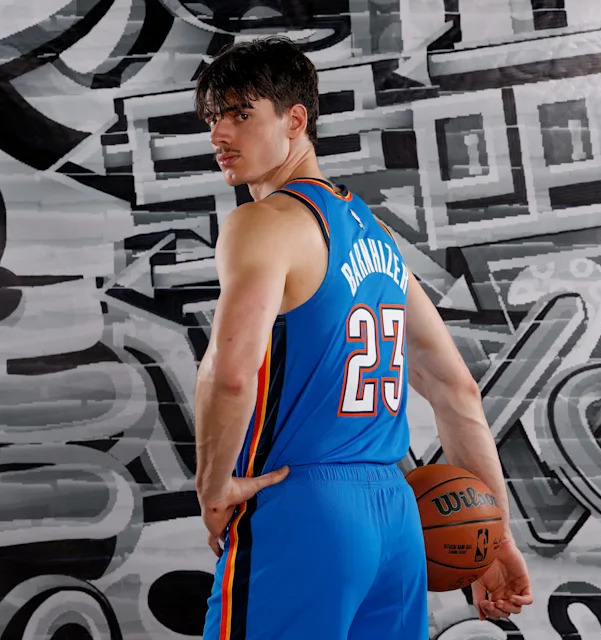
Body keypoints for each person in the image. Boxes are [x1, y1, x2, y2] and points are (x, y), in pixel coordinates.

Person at [192, 36, 532, 640]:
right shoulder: (377, 240)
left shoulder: (263, 222)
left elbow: (233, 371)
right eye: (213, 118)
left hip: (302, 507)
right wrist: (492, 537)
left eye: (241, 114)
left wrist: (214, 485)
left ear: (295, 119)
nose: (220, 134)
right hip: (393, 520)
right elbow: (458, 394)